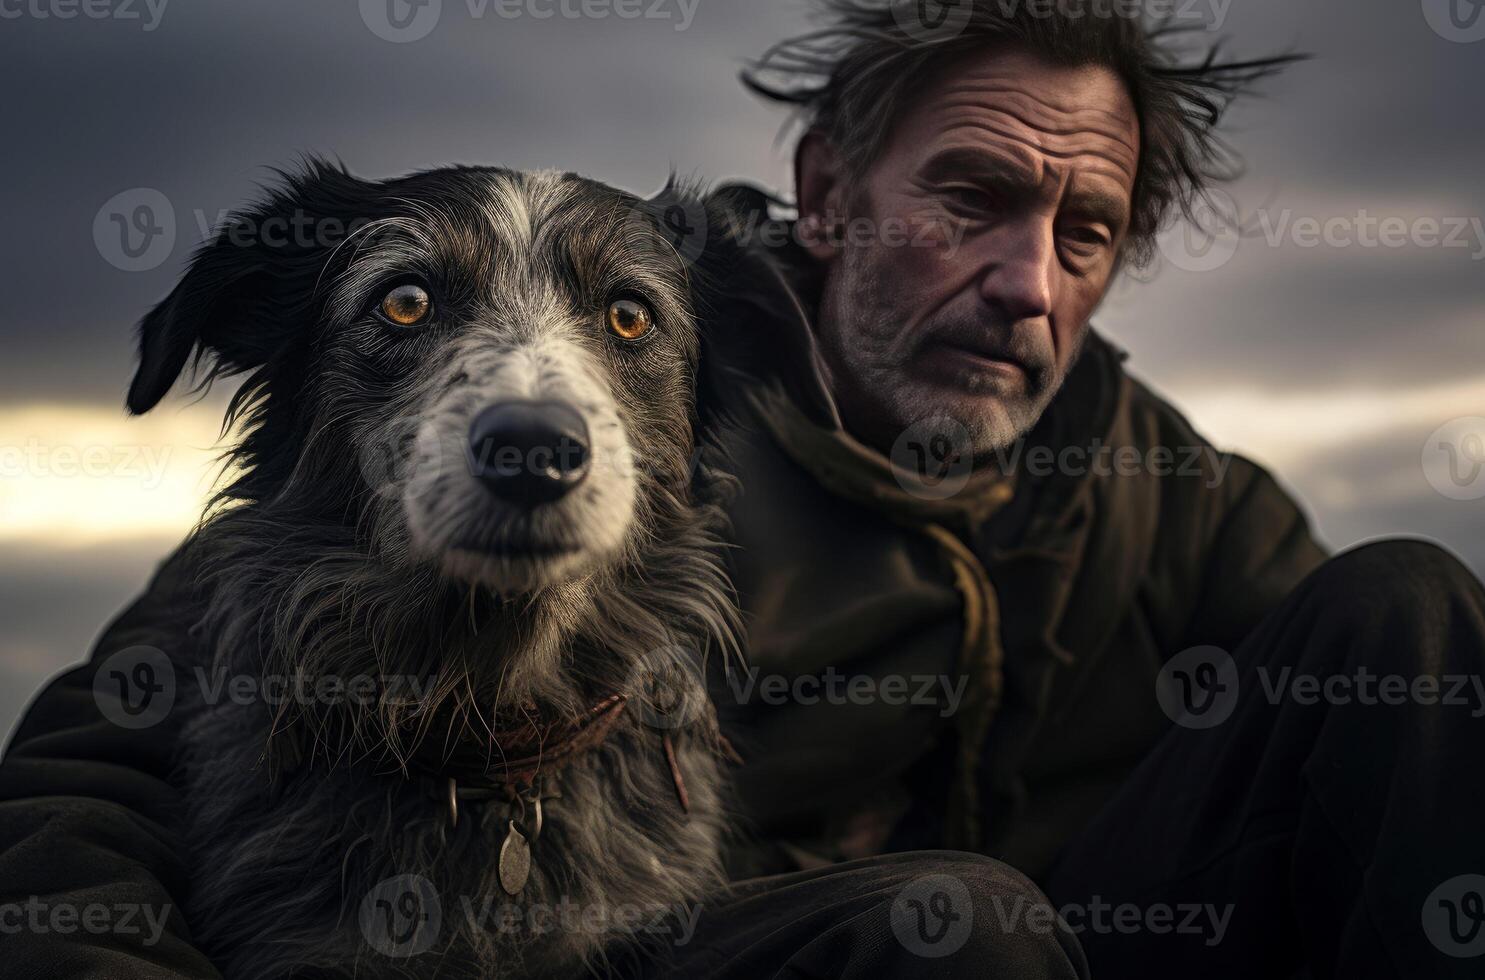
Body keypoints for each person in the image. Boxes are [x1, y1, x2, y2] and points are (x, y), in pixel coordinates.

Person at [4, 4, 1483, 978]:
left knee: (1408, 611)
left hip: (1079, 943)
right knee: (954, 928)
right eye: (970, 198)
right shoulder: (641, 389)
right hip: (757, 948)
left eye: (1082, 230)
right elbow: (93, 765)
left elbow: (1394, 762)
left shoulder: (1163, 481)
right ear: (828, 194)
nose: (1026, 282)